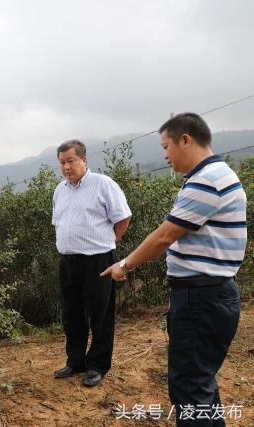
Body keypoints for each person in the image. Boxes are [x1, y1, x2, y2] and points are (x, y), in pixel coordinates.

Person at [101, 113, 245, 426]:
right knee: (199, 383)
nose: (165, 154)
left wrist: (124, 264)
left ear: (185, 140)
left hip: (202, 299)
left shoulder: (207, 180)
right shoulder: (213, 176)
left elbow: (165, 236)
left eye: (167, 146)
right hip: (206, 296)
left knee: (190, 386)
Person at [52, 140, 132, 387]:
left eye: (71, 161)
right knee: (71, 313)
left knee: (100, 313)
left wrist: (109, 241)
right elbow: (59, 222)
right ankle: (76, 361)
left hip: (99, 260)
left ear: (84, 160)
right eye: (62, 162)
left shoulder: (103, 184)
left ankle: (97, 365)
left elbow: (123, 218)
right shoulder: (60, 190)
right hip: (68, 260)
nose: (66, 167)